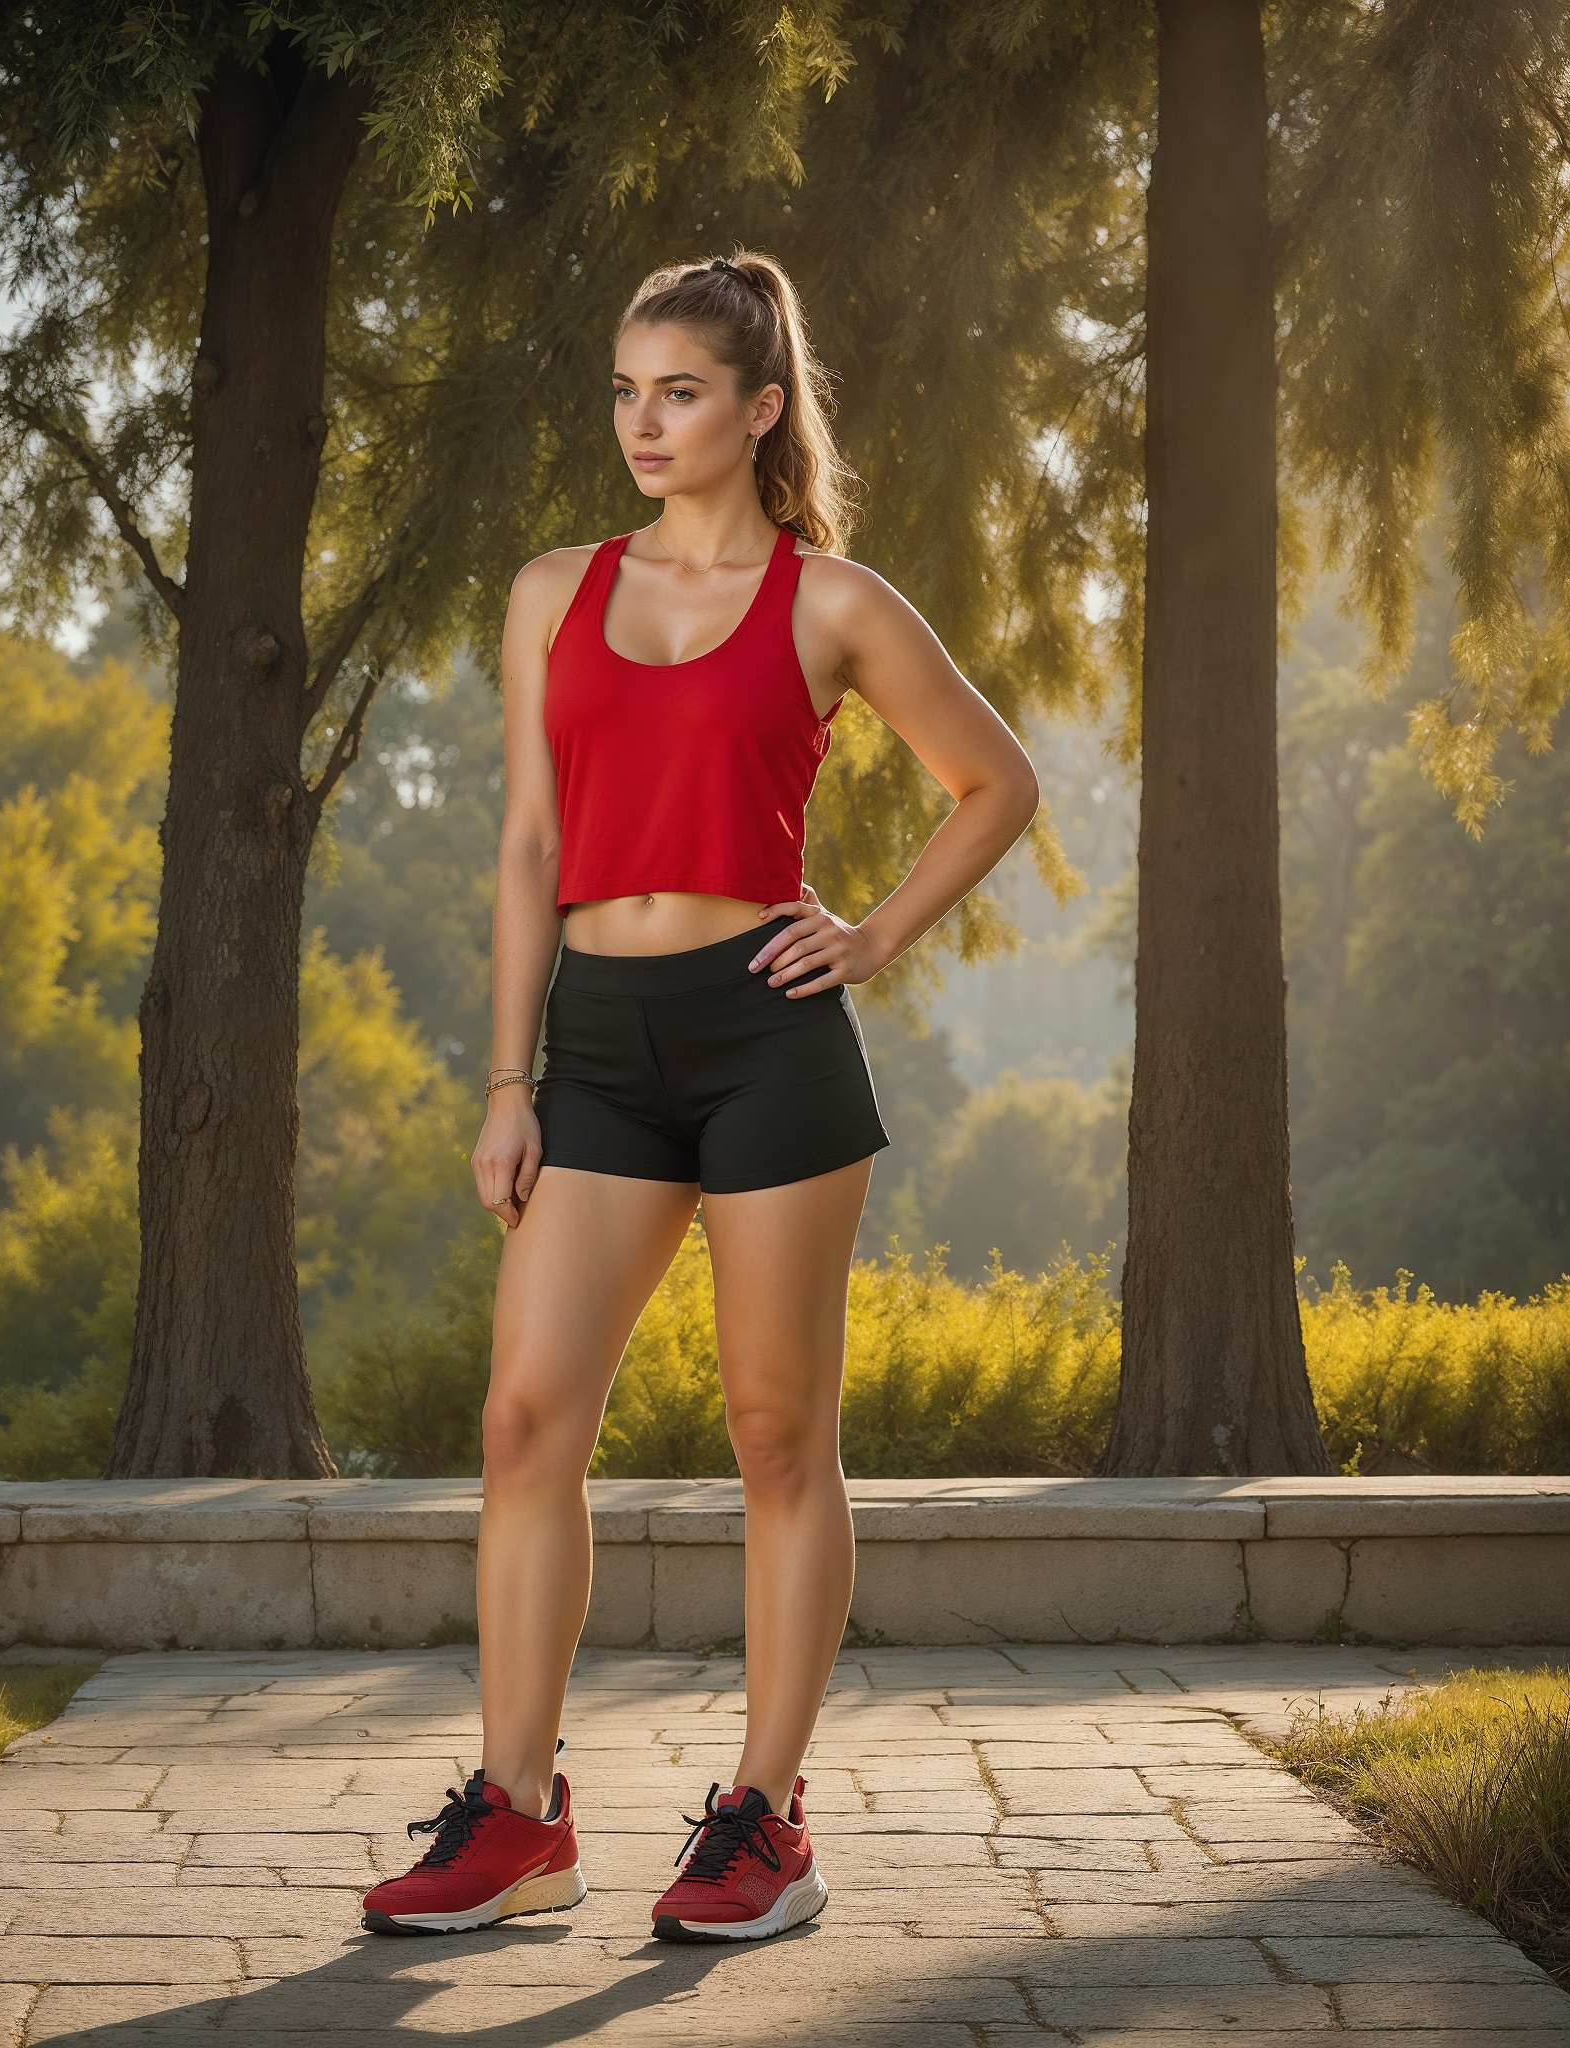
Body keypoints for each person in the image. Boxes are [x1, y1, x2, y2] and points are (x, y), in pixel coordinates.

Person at [361, 248, 1039, 1944]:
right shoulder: (551, 590)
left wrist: (872, 933)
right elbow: (527, 845)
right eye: (624, 389)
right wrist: (508, 1078)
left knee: (774, 1432)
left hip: (765, 1037)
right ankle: (519, 1819)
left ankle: (768, 1823)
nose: (643, 422)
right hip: (595, 1043)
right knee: (525, 1419)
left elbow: (995, 780)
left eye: (679, 392)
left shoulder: (835, 604)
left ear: (758, 408)